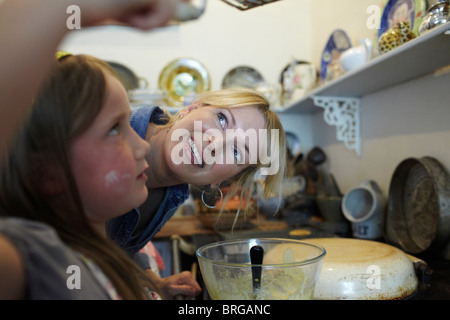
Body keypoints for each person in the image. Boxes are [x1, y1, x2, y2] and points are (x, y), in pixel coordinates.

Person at [0, 0, 180, 300]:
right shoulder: (35, 257)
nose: (143, 145)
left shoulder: (104, 256)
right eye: (114, 129)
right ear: (47, 171)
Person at [107, 87, 288, 298]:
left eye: (236, 152)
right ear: (191, 108)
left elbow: (115, 246)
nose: (215, 145)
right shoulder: (107, 135)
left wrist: (152, 281)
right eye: (222, 119)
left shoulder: (173, 191)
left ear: (223, 180)